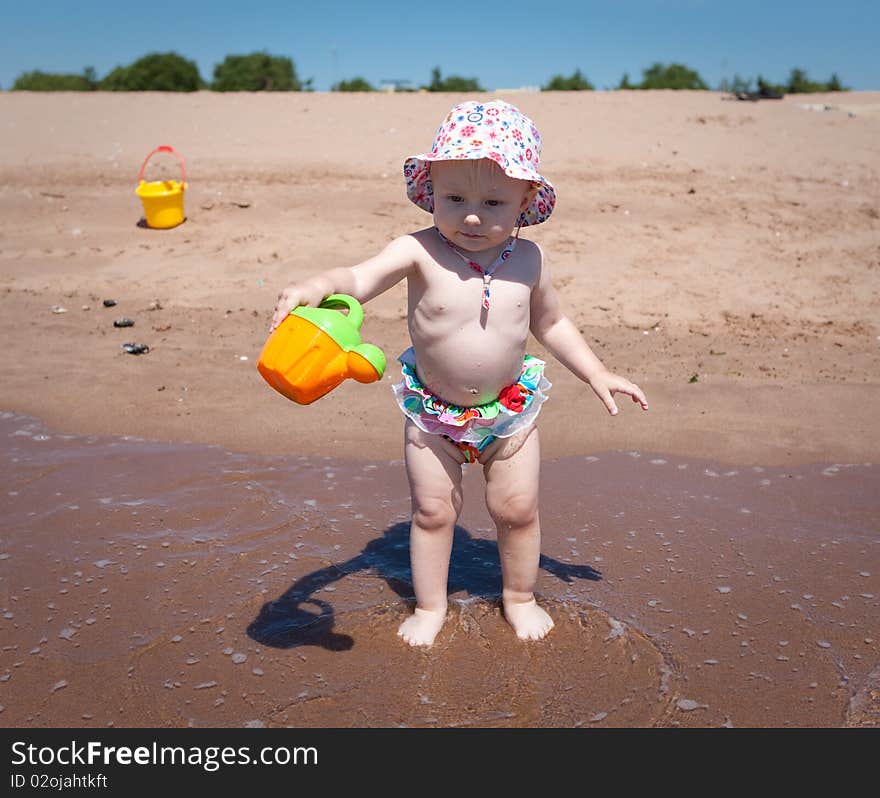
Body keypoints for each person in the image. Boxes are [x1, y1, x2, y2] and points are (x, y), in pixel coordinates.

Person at [270, 100, 648, 647]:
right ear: (431, 192)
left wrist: (597, 372)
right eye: (454, 198)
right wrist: (314, 288)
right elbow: (359, 276)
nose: (472, 215)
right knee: (431, 512)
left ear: (525, 200)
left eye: (493, 201)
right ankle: (430, 607)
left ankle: (519, 596)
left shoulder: (529, 260)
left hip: (510, 413)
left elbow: (553, 322)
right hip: (431, 414)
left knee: (516, 511)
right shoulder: (417, 251)